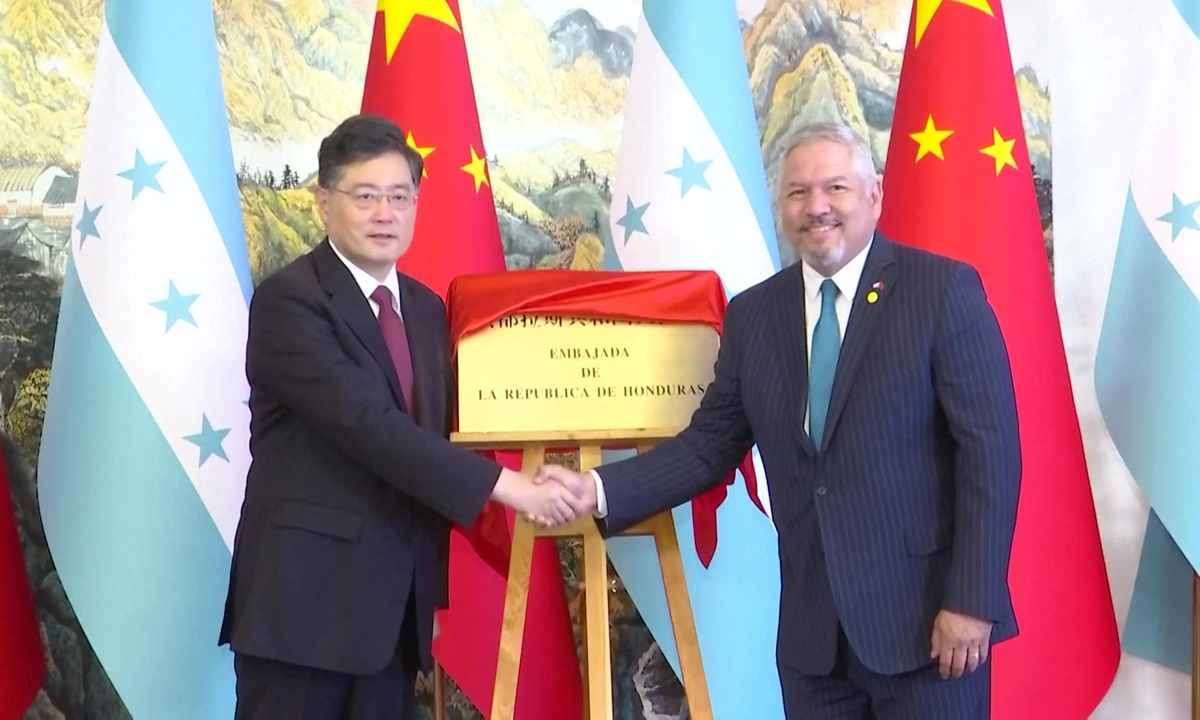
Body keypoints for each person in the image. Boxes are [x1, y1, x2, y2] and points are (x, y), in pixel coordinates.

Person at [535, 121, 1022, 718]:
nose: (816, 207)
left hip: (927, 631)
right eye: (798, 192)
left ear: (875, 195)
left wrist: (972, 600)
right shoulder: (755, 315)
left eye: (835, 188)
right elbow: (709, 446)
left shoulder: (942, 290)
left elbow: (990, 456)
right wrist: (597, 489)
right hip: (814, 645)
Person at [218, 113, 581, 720]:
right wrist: (513, 489)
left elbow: (450, 428)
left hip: (395, 614)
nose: (384, 213)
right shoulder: (291, 301)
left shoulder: (425, 307)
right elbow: (370, 426)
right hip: (304, 613)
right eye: (364, 196)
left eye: (399, 196)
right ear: (323, 202)